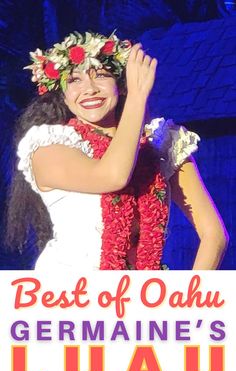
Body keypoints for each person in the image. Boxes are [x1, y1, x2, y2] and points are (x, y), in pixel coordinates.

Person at [5, 31, 228, 271]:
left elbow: (214, 235)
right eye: (74, 80)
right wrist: (137, 97)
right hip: (68, 296)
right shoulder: (48, 147)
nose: (89, 88)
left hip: (140, 295)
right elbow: (113, 176)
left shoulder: (161, 145)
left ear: (119, 85)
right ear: (63, 96)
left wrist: (189, 301)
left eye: (101, 75)